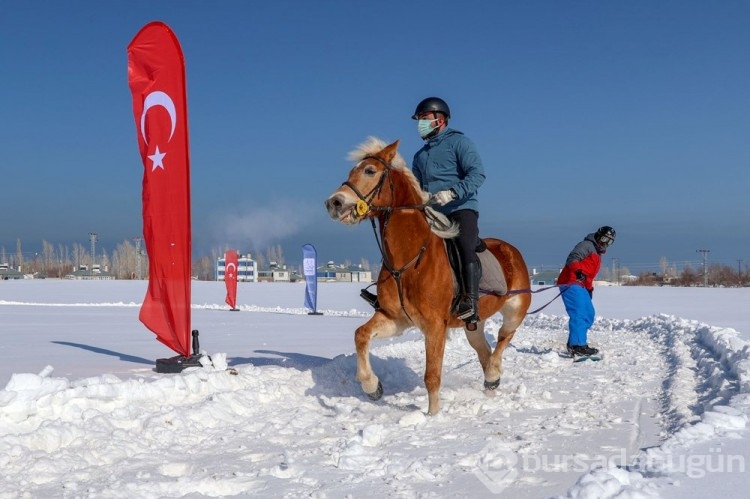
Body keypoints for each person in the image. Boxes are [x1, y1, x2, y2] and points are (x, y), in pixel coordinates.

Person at [411, 97, 486, 326]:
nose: (420, 124)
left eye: (424, 119)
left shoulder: (460, 143)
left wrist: (452, 193)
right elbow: (416, 187)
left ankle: (469, 302)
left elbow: (477, 175)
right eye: (419, 120)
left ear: (439, 120)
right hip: (433, 212)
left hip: (460, 207)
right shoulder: (419, 156)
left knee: (464, 245)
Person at [556, 226, 616, 356]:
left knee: (589, 314)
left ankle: (575, 342)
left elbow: (589, 274)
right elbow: (573, 258)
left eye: (609, 241)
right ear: (598, 235)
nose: (605, 243)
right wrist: (577, 271)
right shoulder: (587, 245)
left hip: (582, 285)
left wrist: (589, 289)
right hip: (571, 281)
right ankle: (577, 346)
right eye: (605, 238)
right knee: (579, 313)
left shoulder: (597, 254)